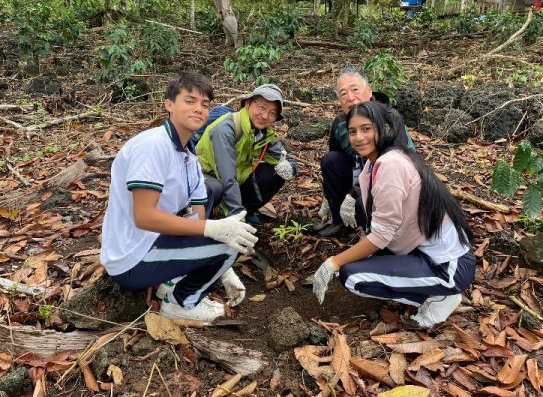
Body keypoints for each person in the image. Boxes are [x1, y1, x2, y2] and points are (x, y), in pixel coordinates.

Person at [100, 72, 258, 323]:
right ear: (169, 104)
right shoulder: (152, 146)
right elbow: (144, 217)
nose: (199, 109)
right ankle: (181, 303)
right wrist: (216, 234)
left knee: (214, 205)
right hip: (132, 256)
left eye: (205, 105)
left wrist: (219, 262)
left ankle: (172, 281)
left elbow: (197, 216)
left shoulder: (188, 157)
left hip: (155, 242)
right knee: (229, 244)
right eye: (190, 101)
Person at [312, 102, 476, 328]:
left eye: (366, 129)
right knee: (361, 214)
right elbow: (376, 219)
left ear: (383, 128)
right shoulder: (377, 162)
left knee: (351, 276)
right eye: (353, 131)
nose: (359, 137)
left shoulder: (390, 165)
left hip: (448, 266)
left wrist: (333, 263)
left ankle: (439, 297)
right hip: (421, 248)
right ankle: (428, 287)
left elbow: (381, 237)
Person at [316, 67, 415, 237]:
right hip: (359, 172)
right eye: (343, 93)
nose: (350, 97)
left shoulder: (390, 118)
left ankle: (375, 233)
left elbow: (398, 165)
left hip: (393, 180)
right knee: (330, 160)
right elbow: (335, 160)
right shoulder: (340, 123)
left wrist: (354, 193)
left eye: (355, 89)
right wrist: (329, 195)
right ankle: (341, 222)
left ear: (368, 90)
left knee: (364, 204)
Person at [196, 84, 298, 224]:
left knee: (276, 174)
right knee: (216, 188)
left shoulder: (264, 134)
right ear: (248, 103)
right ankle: (210, 222)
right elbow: (227, 176)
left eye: (272, 113)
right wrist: (237, 215)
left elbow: (283, 158)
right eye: (262, 107)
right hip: (208, 178)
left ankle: (245, 209)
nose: (265, 116)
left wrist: (291, 167)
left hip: (236, 179)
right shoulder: (226, 129)